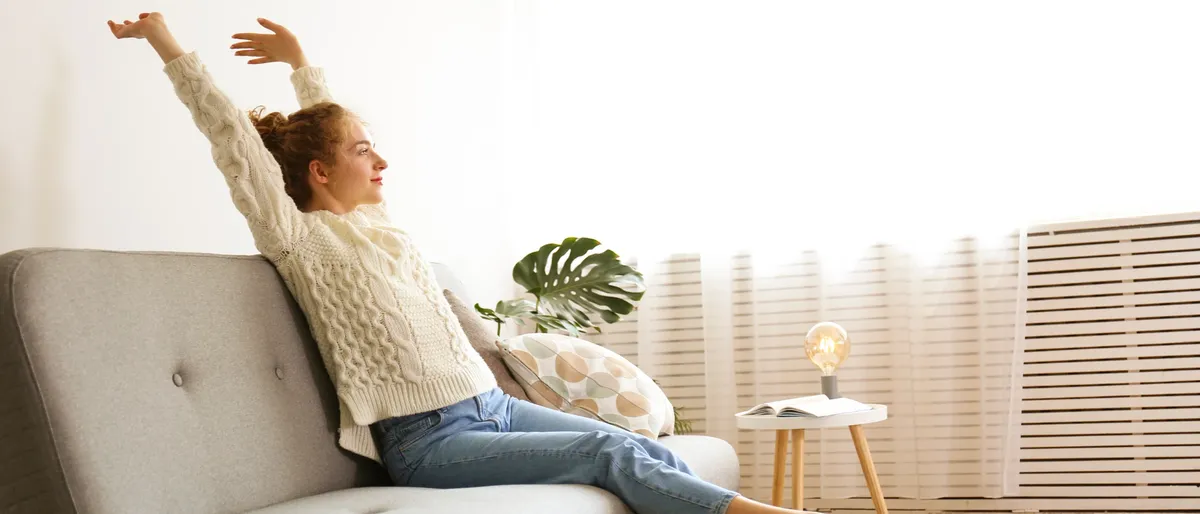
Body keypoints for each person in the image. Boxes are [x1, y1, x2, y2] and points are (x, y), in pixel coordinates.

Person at [108, 12, 812, 514]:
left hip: (496, 407)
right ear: (320, 173)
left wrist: (301, 64)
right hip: (430, 439)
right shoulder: (299, 241)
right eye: (362, 153)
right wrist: (166, 43)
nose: (380, 161)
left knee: (639, 448)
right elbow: (233, 141)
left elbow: (328, 125)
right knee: (615, 459)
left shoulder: (379, 225)